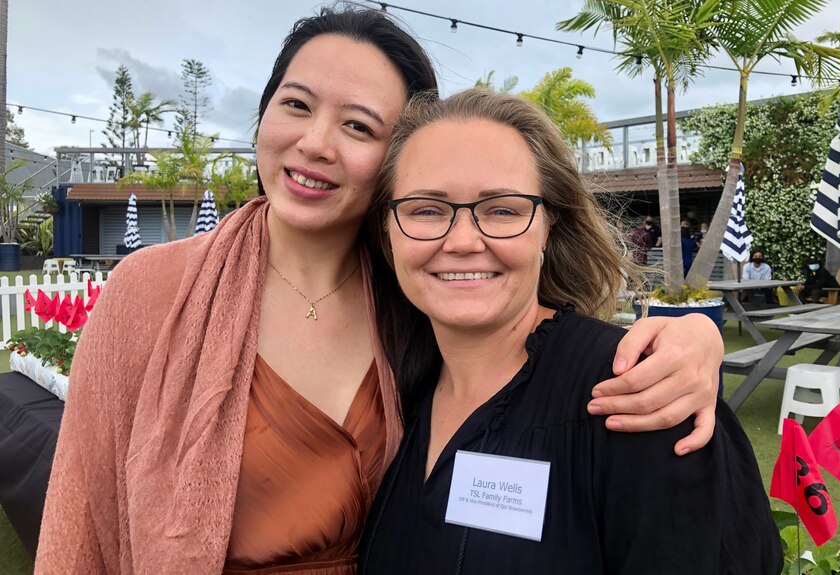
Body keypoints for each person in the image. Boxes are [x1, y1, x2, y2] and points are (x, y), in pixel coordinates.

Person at [35, 8, 725, 574]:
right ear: (263, 118)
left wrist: (696, 339)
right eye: (295, 105)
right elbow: (80, 521)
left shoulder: (416, 299)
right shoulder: (153, 290)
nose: (315, 142)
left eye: (358, 126)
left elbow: (532, 347)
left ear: (399, 160)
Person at [360, 89, 780, 574]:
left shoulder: (640, 397)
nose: (462, 241)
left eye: (502, 210)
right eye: (426, 210)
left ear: (548, 227)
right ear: (388, 231)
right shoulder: (393, 391)